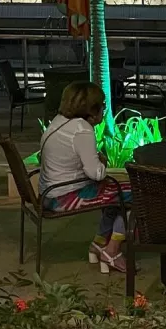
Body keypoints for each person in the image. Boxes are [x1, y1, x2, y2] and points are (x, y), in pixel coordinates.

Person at [39, 81, 129, 273]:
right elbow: (96, 174)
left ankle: (99, 243)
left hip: (48, 194)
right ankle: (112, 251)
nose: (104, 109)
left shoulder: (59, 122)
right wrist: (102, 161)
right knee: (136, 194)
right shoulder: (82, 129)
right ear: (92, 109)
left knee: (116, 192)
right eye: (102, 105)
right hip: (64, 197)